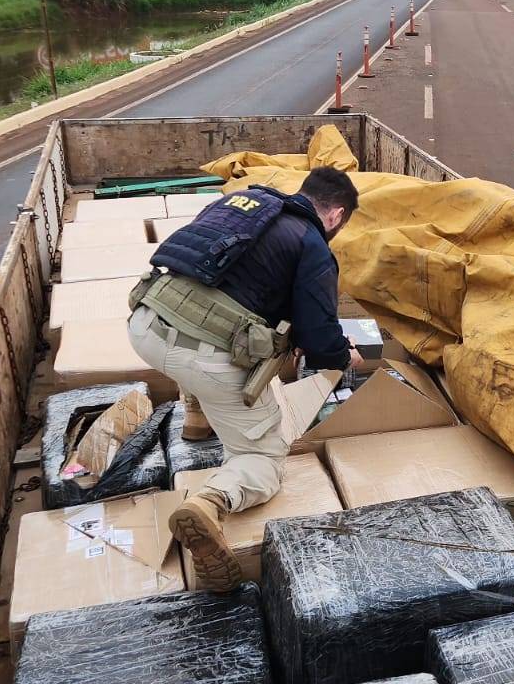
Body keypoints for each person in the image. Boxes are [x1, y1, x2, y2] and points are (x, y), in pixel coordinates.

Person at [126, 167, 363, 590]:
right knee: (265, 456)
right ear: (337, 215)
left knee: (199, 346)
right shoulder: (312, 243)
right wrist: (345, 354)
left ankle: (196, 419)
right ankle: (209, 504)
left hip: (145, 325)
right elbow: (320, 337)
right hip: (201, 357)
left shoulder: (240, 205)